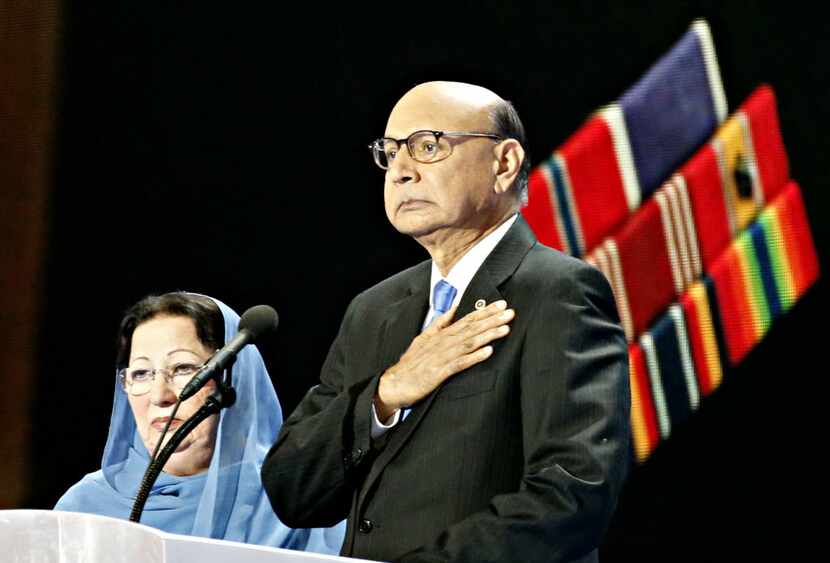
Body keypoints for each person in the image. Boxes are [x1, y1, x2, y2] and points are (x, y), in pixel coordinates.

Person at [261, 81, 631, 563]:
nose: (400, 171)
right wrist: (385, 394)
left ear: (504, 164)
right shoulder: (373, 310)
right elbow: (291, 488)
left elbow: (571, 498)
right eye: (390, 153)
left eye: (427, 146)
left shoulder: (557, 293)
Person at [55, 292, 345, 553]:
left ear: (233, 378)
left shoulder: (299, 498)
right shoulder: (86, 506)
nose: (159, 396)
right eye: (142, 373)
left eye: (182, 368)